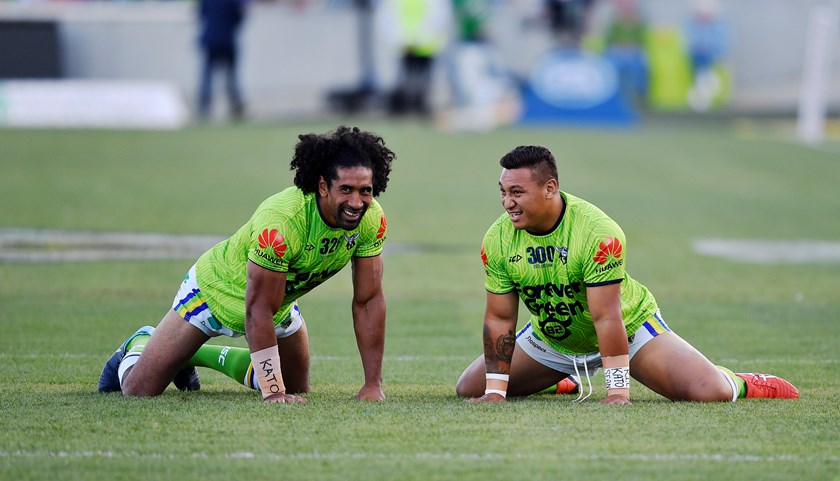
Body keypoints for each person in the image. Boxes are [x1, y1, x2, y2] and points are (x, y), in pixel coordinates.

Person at [456, 145, 799, 404]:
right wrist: (496, 394)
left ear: (550, 188)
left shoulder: (597, 233)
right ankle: (563, 376)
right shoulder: (497, 238)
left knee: (708, 392)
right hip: (555, 339)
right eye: (503, 192)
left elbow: (607, 316)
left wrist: (618, 391)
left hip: (630, 330)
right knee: (470, 387)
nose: (507, 202)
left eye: (517, 192)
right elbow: (500, 318)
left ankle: (739, 380)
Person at [98, 126, 395, 403]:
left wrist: (372, 385)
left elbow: (368, 301)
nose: (356, 202)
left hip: (274, 303)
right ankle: (140, 342)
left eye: (365, 191)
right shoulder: (281, 223)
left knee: (297, 388)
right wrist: (273, 392)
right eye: (346, 189)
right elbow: (256, 309)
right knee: (138, 390)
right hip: (216, 293)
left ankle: (193, 355)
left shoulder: (371, 220)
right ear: (323, 186)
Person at [197, 0, 247, 121]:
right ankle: (235, 107)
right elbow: (239, 16)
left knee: (207, 76)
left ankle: (204, 108)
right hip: (227, 40)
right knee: (231, 75)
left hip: (211, 39)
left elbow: (202, 14)